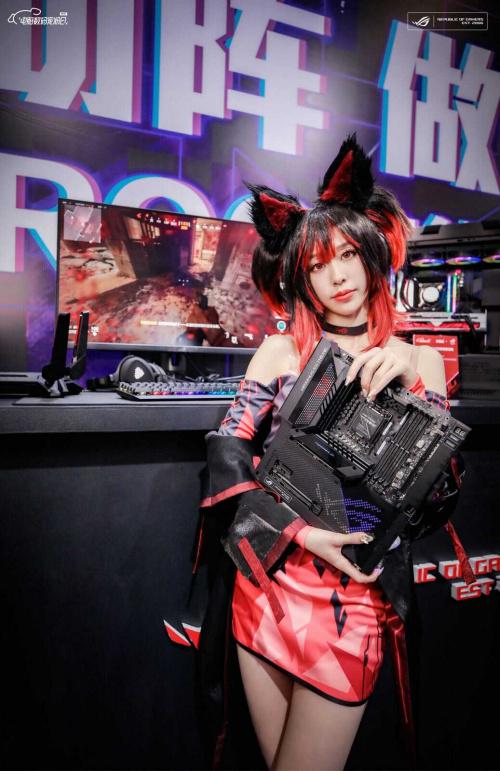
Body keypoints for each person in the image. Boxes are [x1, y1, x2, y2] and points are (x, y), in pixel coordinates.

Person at [180, 135, 469, 771]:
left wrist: (416, 392)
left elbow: (436, 499)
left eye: (346, 255)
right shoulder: (279, 353)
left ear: (372, 254)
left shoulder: (420, 361)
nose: (336, 276)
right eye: (316, 265)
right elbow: (227, 463)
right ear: (300, 278)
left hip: (353, 602)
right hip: (268, 581)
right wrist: (300, 534)